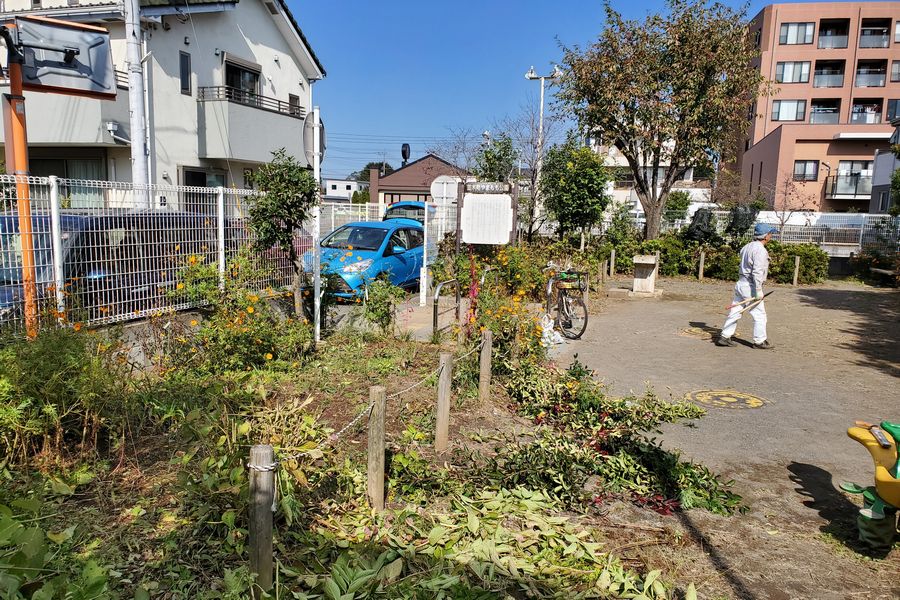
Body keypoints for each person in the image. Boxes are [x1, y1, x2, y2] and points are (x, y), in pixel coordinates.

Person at [716, 223, 777, 349]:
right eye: (770, 234)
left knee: (735, 311)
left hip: (741, 283)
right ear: (765, 236)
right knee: (759, 314)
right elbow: (757, 271)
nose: (771, 236)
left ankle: (725, 336)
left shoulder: (747, 246)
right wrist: (758, 290)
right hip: (751, 286)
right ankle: (759, 341)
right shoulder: (760, 250)